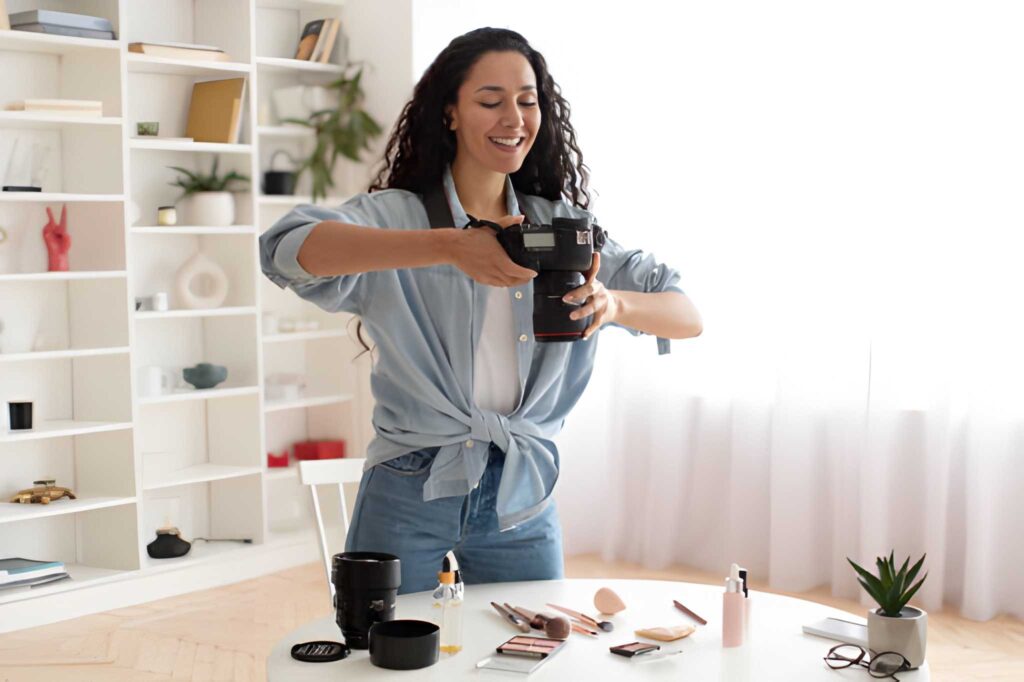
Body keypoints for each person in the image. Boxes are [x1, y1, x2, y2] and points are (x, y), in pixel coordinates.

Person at [260, 27, 702, 594]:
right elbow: (285, 249)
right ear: (450, 114)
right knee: (382, 652)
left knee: (530, 653)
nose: (513, 118)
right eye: (490, 102)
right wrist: (447, 246)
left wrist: (613, 304)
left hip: (521, 490)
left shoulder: (563, 226)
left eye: (526, 100)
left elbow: (686, 314)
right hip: (408, 481)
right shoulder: (395, 216)